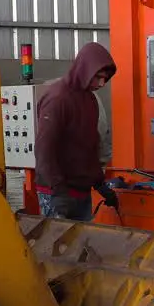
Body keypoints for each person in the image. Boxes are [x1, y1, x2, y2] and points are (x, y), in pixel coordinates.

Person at [35, 42, 119, 220]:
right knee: (56, 245)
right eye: (98, 77)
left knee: (81, 246)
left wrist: (99, 183)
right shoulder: (58, 99)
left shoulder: (90, 100)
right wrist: (58, 190)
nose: (102, 83)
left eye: (105, 78)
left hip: (80, 193)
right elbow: (44, 150)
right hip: (56, 194)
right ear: (84, 70)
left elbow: (89, 145)